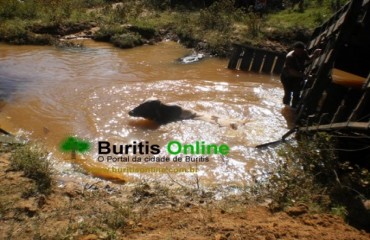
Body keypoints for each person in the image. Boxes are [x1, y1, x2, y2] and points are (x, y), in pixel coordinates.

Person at [280, 41, 321, 108]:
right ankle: (286, 107)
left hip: (297, 76)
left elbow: (308, 59)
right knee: (288, 94)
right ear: (294, 49)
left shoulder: (304, 52)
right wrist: (306, 76)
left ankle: (293, 108)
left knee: (296, 93)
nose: (299, 54)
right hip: (287, 77)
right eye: (298, 52)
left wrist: (315, 54)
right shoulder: (290, 57)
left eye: (301, 52)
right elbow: (291, 72)